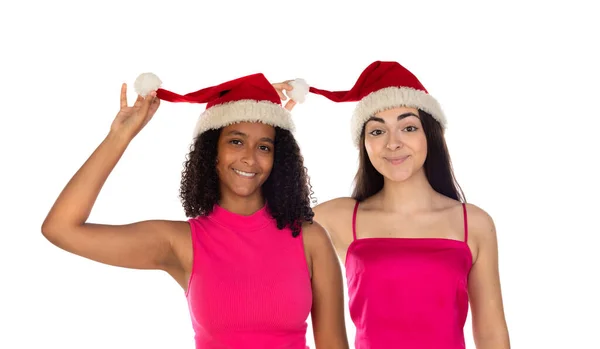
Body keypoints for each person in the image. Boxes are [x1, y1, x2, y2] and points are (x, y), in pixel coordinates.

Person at [41, 72, 349, 349]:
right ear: (211, 152)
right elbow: (61, 229)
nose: (250, 158)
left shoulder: (309, 239)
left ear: (278, 158)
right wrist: (120, 136)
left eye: (264, 146)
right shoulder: (181, 241)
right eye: (236, 141)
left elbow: (334, 344)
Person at [273, 61, 510, 348]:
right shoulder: (339, 217)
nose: (392, 143)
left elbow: (491, 335)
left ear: (430, 136)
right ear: (364, 144)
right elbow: (263, 220)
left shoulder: (473, 223)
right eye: (376, 131)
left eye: (408, 127)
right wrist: (268, 120)